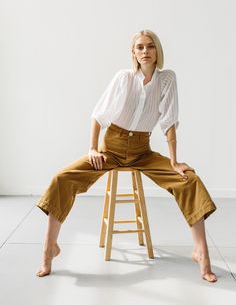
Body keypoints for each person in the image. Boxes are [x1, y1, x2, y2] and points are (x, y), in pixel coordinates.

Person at [36, 29, 217, 282]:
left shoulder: (167, 79)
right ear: (133, 52)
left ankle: (201, 253)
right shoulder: (124, 78)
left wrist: (175, 161)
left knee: (189, 181)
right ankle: (49, 249)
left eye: (150, 46)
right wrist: (92, 148)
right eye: (140, 47)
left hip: (142, 151)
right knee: (62, 178)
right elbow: (99, 115)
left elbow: (169, 122)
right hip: (110, 149)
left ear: (158, 51)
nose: (145, 51)